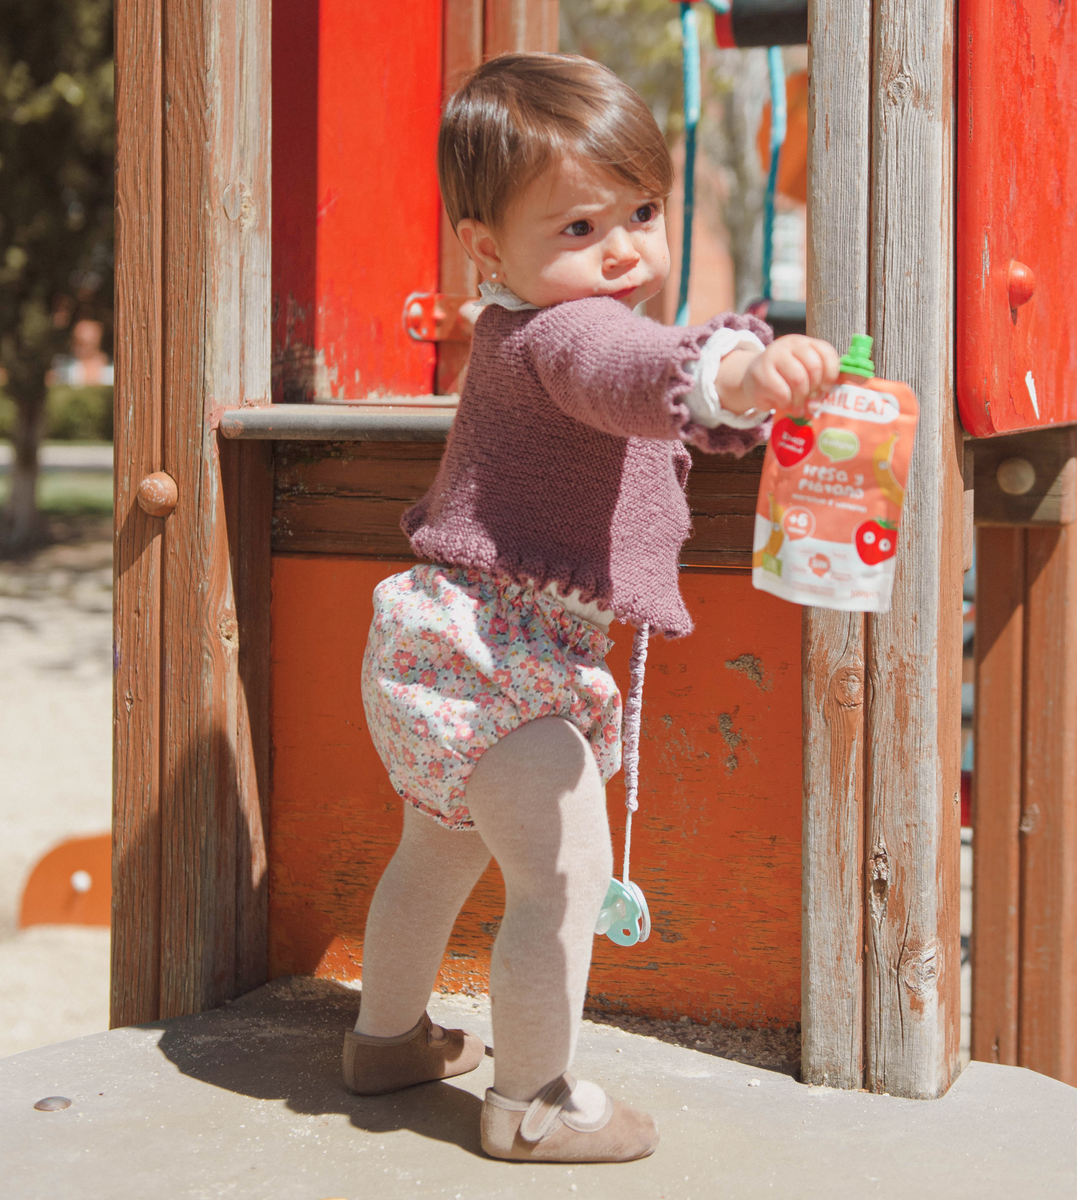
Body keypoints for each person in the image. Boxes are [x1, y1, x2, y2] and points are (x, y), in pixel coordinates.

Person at [347, 51, 840, 1163]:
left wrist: (716, 381)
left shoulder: (510, 327)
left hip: (436, 645)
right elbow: (631, 371)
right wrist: (739, 376)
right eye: (580, 227)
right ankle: (531, 1105)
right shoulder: (570, 331)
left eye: (643, 212)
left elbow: (633, 380)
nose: (623, 249)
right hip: (504, 667)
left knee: (433, 855)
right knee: (561, 879)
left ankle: (385, 1041)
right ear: (486, 248)